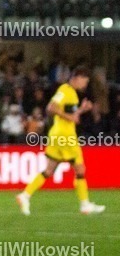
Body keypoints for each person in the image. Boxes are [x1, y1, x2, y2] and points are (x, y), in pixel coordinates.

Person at [17, 66, 105, 215]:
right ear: (77, 78)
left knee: (49, 170)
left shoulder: (70, 93)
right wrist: (70, 117)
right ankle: (85, 204)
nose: (85, 85)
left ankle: (25, 195)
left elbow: (68, 115)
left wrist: (81, 110)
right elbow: (51, 108)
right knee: (80, 169)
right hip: (65, 136)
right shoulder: (65, 91)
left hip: (58, 135)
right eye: (85, 81)